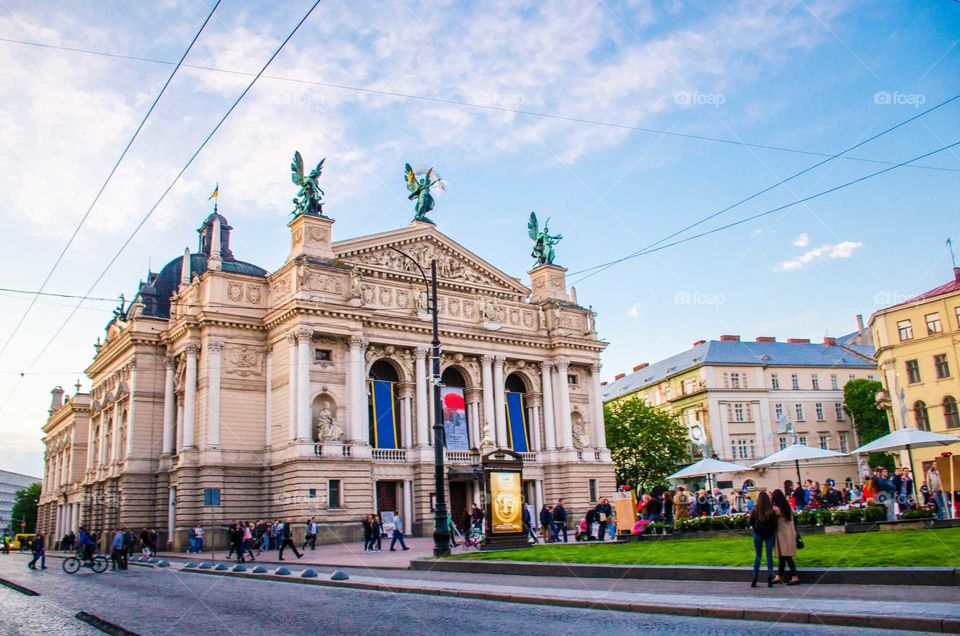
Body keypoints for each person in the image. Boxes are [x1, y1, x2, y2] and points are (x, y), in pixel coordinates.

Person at [748, 491, 777, 588]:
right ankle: (769, 578)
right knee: (769, 556)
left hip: (758, 534)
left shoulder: (755, 509)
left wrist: (756, 529)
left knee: (758, 556)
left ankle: (755, 578)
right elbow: (774, 524)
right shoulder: (771, 510)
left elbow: (750, 522)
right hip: (769, 534)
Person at [771, 489, 800, 586]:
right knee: (783, 557)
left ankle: (795, 577)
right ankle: (778, 576)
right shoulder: (788, 507)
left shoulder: (777, 509)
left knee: (786, 556)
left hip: (782, 534)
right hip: (790, 534)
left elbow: (770, 515)